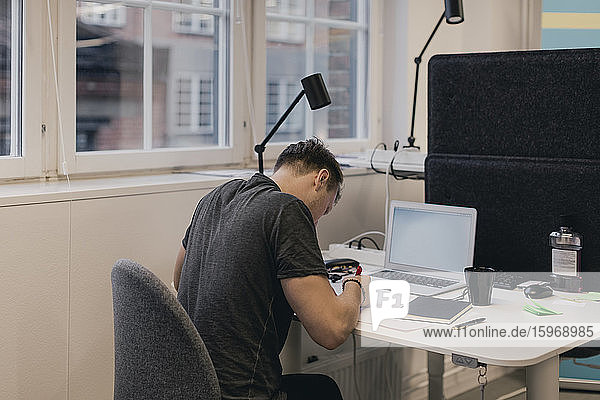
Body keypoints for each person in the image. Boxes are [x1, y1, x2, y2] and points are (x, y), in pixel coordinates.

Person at [174, 138, 369, 400]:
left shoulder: (215, 197)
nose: (318, 220)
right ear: (320, 179)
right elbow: (331, 331)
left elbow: (179, 279)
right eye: (326, 207)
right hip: (242, 393)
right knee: (325, 391)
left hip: (192, 387)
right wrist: (354, 285)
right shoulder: (288, 209)